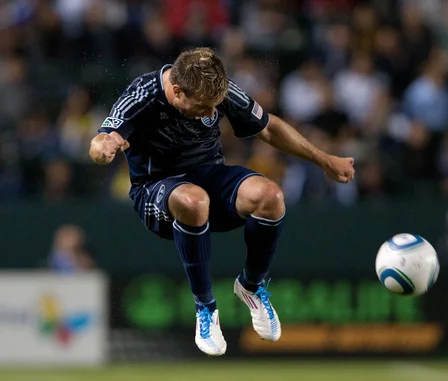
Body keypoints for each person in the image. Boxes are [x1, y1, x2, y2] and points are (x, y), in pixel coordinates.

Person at [88, 47, 355, 356]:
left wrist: (324, 161)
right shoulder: (143, 94)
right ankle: (205, 308)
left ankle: (252, 286)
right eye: (202, 107)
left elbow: (267, 127)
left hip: (210, 176)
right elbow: (103, 138)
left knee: (271, 196)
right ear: (177, 90)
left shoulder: (217, 87)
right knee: (193, 200)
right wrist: (103, 148)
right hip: (156, 190)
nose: (208, 114)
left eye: (212, 108)